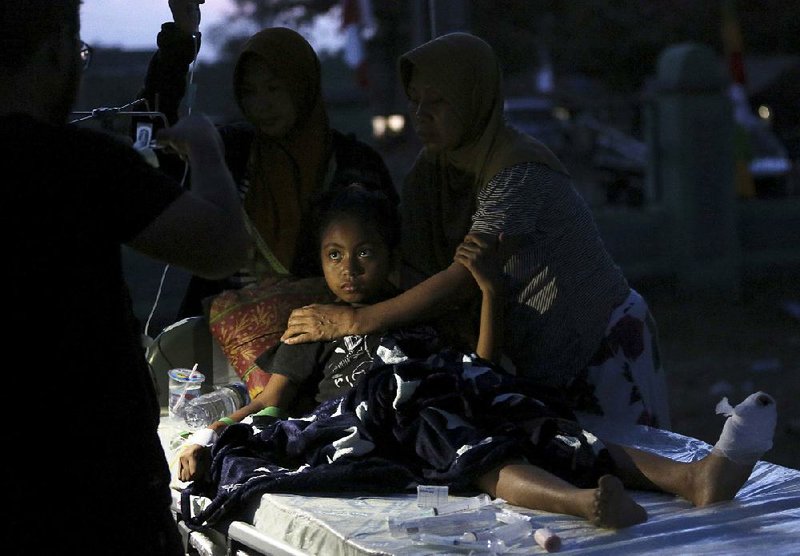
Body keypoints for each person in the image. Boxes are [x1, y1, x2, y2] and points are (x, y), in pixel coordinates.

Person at [176, 184, 774, 532]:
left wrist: (488, 292)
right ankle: (581, 502)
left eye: (364, 254)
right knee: (452, 436)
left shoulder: (410, 312)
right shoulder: (310, 327)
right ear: (320, 260)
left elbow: (480, 365)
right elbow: (272, 402)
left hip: (445, 387)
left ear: (390, 256)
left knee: (532, 417)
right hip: (386, 411)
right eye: (334, 256)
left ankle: (694, 478)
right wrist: (211, 433)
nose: (350, 270)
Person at [280, 32, 670, 430]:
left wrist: (356, 321)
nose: (420, 114)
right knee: (570, 465)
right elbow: (411, 262)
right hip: (522, 349)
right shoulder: (430, 173)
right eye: (415, 102)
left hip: (596, 337)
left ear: (473, 98)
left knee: (631, 463)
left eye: (437, 102)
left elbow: (468, 273)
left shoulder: (516, 169)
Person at [2, 1, 250, 554]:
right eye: (81, 54)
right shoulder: (75, 165)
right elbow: (222, 247)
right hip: (91, 491)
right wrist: (208, 149)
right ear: (56, 50)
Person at [139, 0, 398, 319]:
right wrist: (180, 39)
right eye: (250, 92)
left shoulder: (355, 164)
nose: (262, 104)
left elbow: (388, 259)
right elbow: (153, 140)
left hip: (329, 340)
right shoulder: (232, 150)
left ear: (302, 85)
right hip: (221, 339)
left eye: (275, 89)